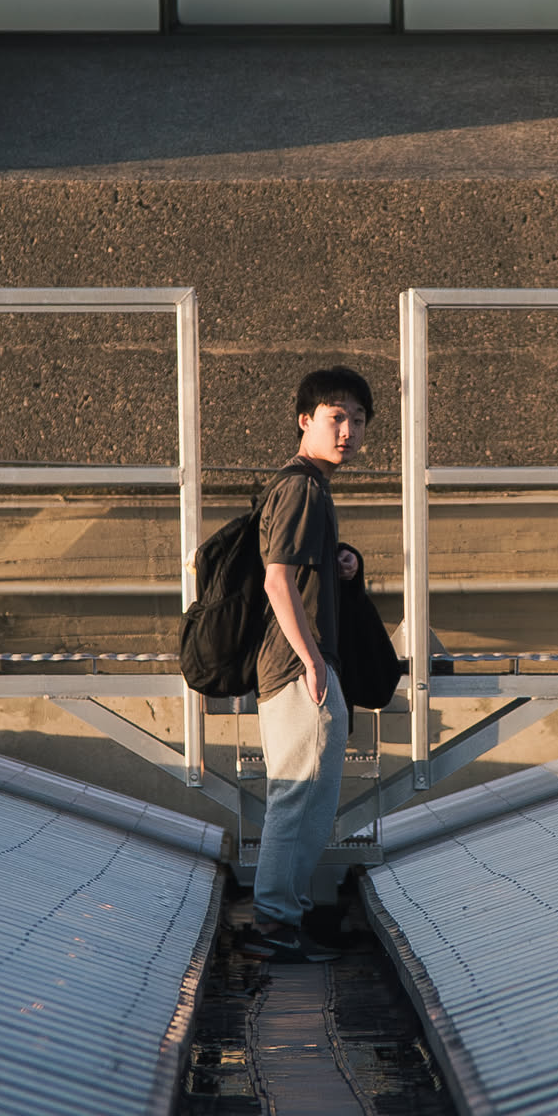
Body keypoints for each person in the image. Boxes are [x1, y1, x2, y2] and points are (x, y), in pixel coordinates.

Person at [239, 365, 373, 965]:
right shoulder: (302, 487)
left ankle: (284, 920)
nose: (348, 432)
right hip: (300, 668)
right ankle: (274, 925)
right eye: (336, 417)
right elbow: (277, 581)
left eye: (358, 421)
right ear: (304, 420)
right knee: (298, 798)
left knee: (304, 799)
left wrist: (340, 562)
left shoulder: (307, 486)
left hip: (296, 665)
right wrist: (314, 662)